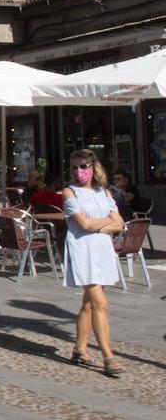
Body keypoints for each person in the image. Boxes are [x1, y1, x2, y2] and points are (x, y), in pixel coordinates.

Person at [63, 149, 125, 377]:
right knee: (100, 303)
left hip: (102, 250)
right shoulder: (69, 192)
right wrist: (105, 222)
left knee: (89, 304)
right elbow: (83, 224)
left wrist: (99, 224)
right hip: (83, 250)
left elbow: (118, 223)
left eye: (83, 166)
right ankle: (108, 356)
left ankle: (79, 349)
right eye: (74, 167)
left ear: (93, 168)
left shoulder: (104, 193)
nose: (79, 171)